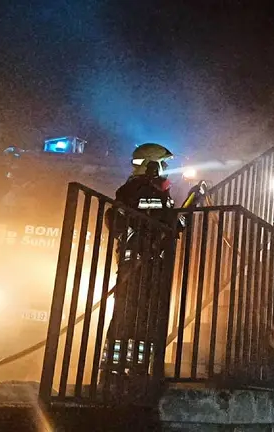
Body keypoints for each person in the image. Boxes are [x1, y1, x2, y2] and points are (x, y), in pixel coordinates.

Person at [100, 143, 181, 389]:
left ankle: (133, 368)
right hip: (139, 260)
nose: (166, 169)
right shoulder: (141, 190)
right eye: (162, 164)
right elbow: (163, 222)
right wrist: (179, 216)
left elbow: (169, 224)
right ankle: (117, 371)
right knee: (130, 313)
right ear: (152, 165)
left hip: (147, 261)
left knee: (143, 316)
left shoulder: (146, 191)